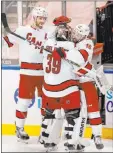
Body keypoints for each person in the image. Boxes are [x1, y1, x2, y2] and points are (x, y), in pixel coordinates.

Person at [52, 24, 105, 150]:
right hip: (74, 81)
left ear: (84, 36)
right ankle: (71, 136)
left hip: (87, 81)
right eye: (75, 33)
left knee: (92, 110)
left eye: (78, 34)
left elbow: (80, 58)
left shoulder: (87, 43)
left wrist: (64, 54)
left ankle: (97, 135)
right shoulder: (72, 43)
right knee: (73, 111)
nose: (75, 36)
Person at [3, 6, 48, 142]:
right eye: (40, 18)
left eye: (44, 18)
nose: (42, 21)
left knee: (46, 103)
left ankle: (45, 131)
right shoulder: (23, 31)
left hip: (43, 73)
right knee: (24, 101)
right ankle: (19, 128)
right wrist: (4, 32)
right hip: (27, 73)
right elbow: (8, 40)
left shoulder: (47, 33)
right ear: (34, 17)